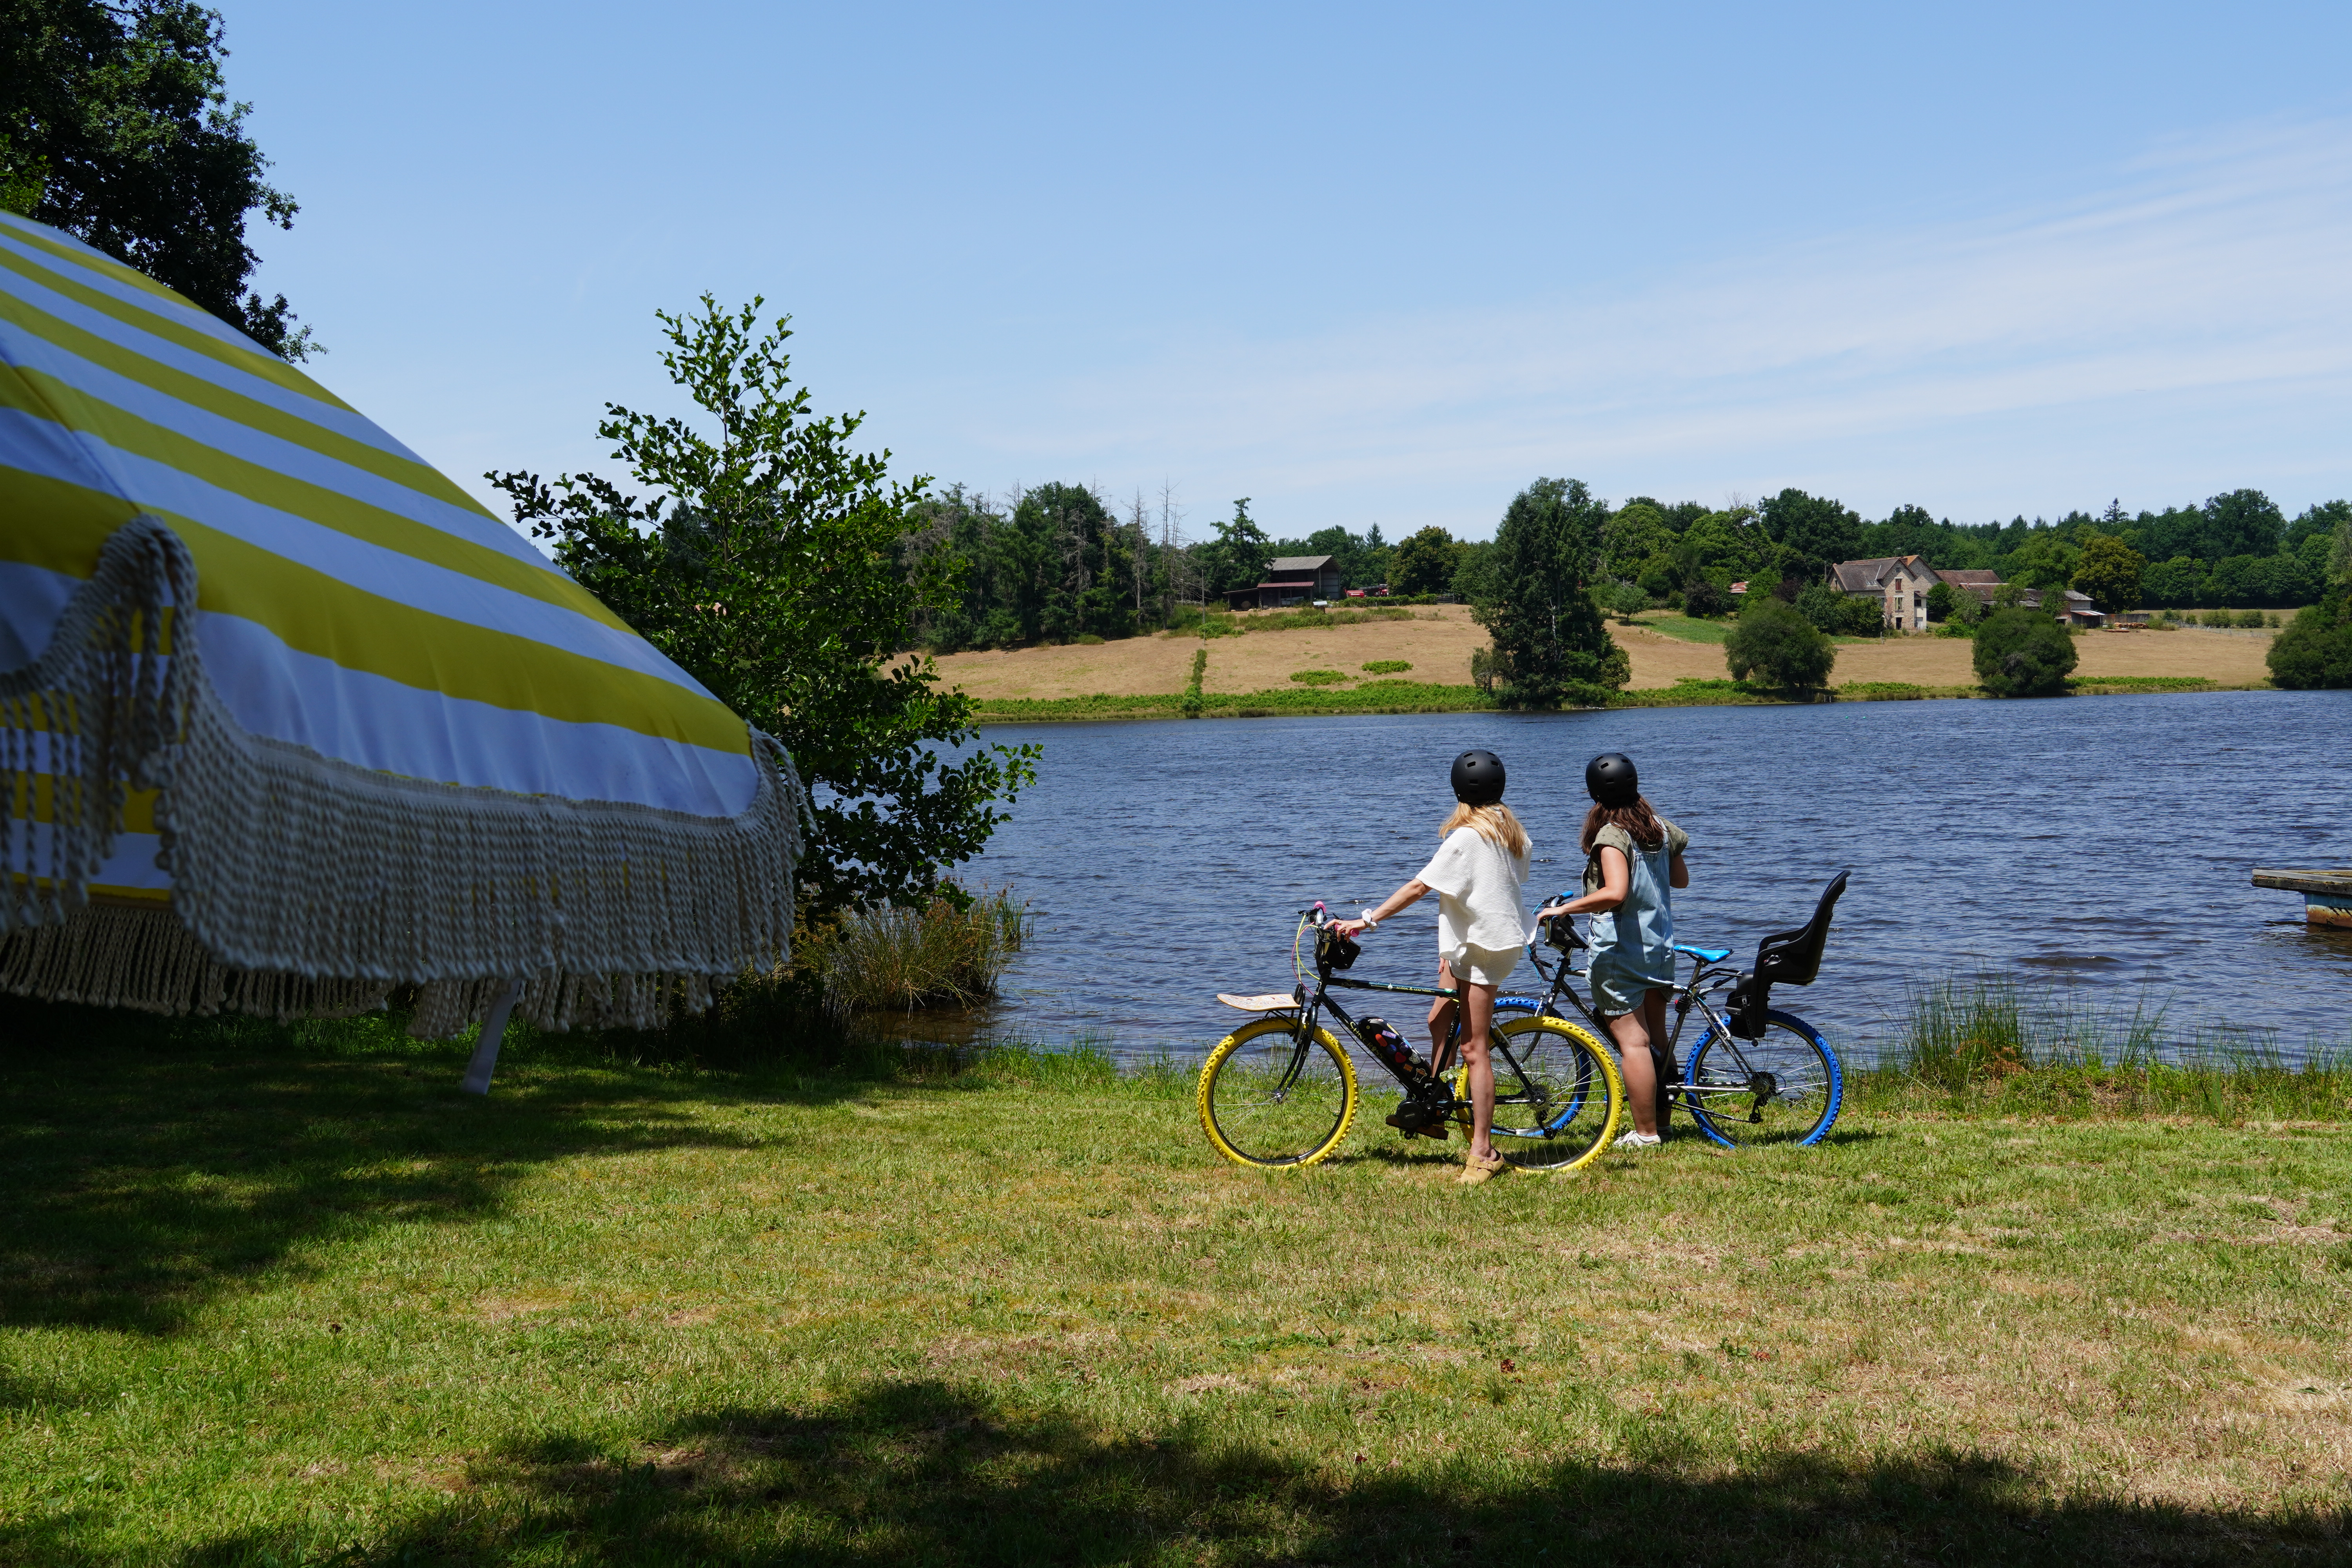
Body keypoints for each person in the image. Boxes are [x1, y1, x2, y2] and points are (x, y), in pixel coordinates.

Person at [1332, 750, 1529, 1185]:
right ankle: (1433, 1113)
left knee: (1475, 1050)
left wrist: (1365, 920)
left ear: (1459, 791)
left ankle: (1484, 1152)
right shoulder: (1511, 834)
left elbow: (1420, 886)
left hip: (1483, 947)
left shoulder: (1466, 838)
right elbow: (1488, 890)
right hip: (1484, 941)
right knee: (1439, 1019)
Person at [1539, 752, 1689, 1151]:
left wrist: (1562, 908)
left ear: (1595, 793)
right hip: (1659, 948)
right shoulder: (1658, 828)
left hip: (1621, 951)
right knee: (1657, 1040)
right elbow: (1681, 879)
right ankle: (1664, 1124)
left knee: (1634, 1045)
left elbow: (1615, 892)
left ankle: (1645, 1133)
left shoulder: (1611, 835)